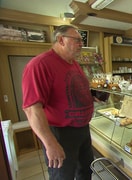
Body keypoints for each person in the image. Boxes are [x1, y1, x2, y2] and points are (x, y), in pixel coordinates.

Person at [22, 25, 94, 180]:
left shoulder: (73, 63)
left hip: (82, 130)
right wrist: (50, 143)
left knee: (86, 172)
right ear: (61, 40)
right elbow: (32, 109)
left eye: (81, 40)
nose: (81, 44)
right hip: (61, 133)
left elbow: (72, 92)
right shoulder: (39, 65)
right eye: (77, 40)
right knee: (63, 176)